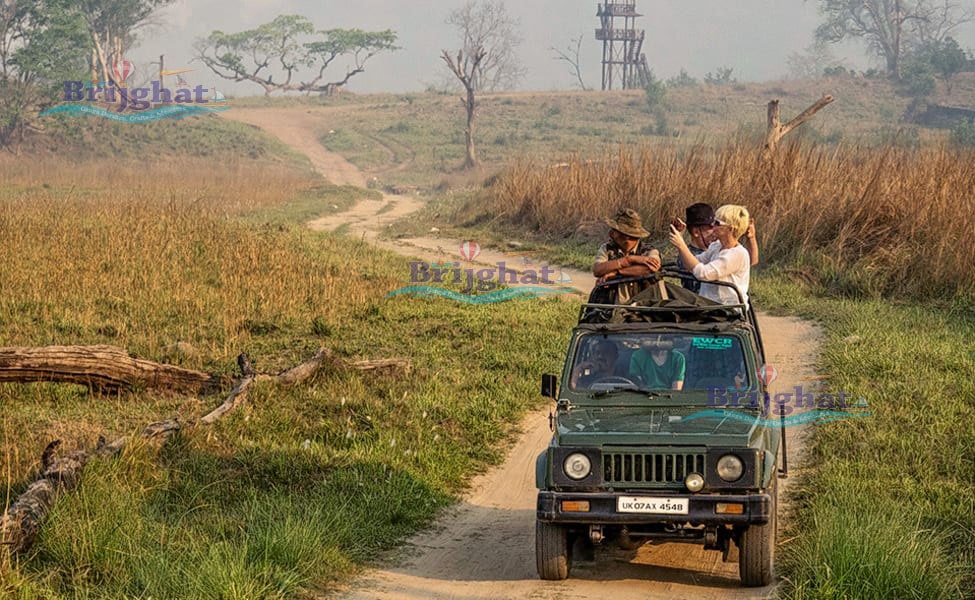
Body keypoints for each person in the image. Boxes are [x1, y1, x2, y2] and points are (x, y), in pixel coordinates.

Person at [669, 204, 751, 306]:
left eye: (717, 223)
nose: (713, 226)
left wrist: (681, 245)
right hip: (708, 303)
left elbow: (703, 274)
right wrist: (680, 238)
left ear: (730, 229)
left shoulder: (737, 254)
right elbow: (694, 262)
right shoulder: (716, 246)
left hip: (725, 308)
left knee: (669, 293)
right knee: (666, 289)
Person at [592, 208, 662, 304]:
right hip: (613, 306)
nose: (611, 233)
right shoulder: (607, 248)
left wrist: (616, 272)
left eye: (615, 230)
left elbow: (650, 269)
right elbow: (597, 270)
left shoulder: (649, 251)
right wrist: (627, 260)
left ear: (626, 236)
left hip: (645, 306)